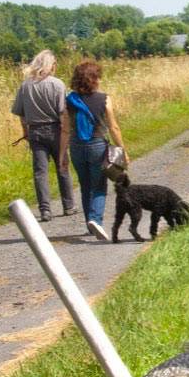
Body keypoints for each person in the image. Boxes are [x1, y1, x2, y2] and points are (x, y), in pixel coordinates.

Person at [62, 58, 129, 241]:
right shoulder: (104, 99)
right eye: (98, 77)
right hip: (97, 146)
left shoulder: (70, 100)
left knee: (85, 186)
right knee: (99, 186)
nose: (100, 80)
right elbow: (114, 127)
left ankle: (89, 224)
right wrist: (123, 150)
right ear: (93, 79)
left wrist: (62, 155)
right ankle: (95, 219)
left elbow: (65, 129)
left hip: (76, 147)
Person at [11, 50, 76, 223]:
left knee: (40, 172)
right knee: (62, 166)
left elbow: (21, 114)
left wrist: (25, 132)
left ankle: (45, 210)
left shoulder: (25, 86)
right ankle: (68, 205)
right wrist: (66, 133)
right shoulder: (57, 84)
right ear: (51, 65)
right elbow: (63, 112)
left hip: (35, 131)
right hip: (55, 130)